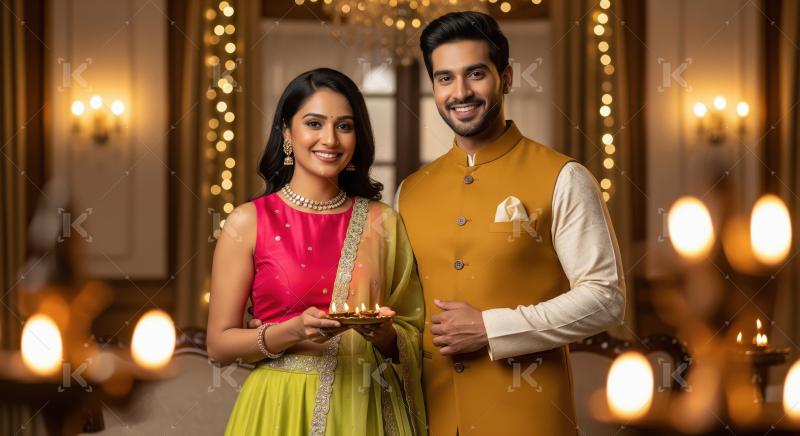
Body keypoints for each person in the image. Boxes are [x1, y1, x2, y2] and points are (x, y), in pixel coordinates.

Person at [394, 12, 627, 435]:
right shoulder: (409, 191)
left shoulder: (564, 176)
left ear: (507, 77)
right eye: (444, 78)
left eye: (476, 74)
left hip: (531, 419)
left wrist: (491, 328)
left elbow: (604, 298)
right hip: (431, 419)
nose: (460, 92)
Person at [207, 68, 426, 436]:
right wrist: (289, 331)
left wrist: (384, 335)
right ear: (287, 133)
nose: (330, 139)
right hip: (280, 407)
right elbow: (219, 345)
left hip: (367, 406)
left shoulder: (382, 222)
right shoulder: (248, 222)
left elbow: (414, 332)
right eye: (314, 123)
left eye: (344, 126)